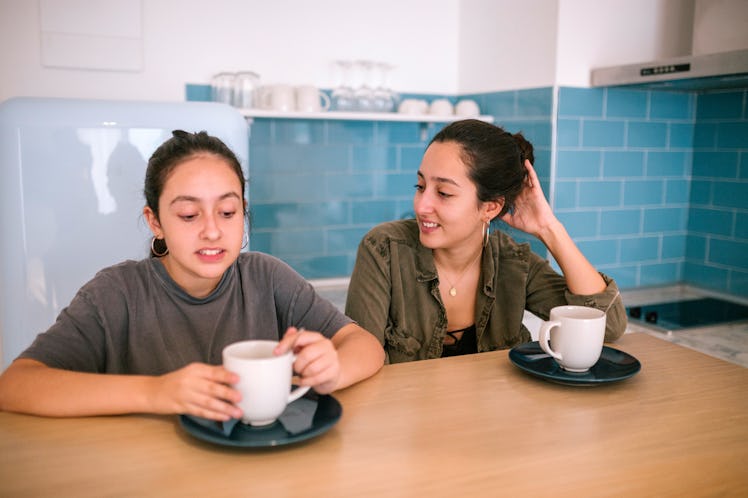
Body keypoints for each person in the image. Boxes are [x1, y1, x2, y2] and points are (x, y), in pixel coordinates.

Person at [0, 130, 384, 420]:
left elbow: (366, 347)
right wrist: (156, 393)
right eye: (188, 215)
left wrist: (332, 370)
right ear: (156, 221)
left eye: (228, 212)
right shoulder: (116, 293)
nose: (212, 230)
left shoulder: (267, 277)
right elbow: (16, 385)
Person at [345, 119, 626, 364]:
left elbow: (608, 326)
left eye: (443, 192)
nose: (421, 206)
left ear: (490, 208)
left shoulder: (515, 263)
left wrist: (548, 227)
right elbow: (361, 361)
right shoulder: (384, 249)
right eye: (420, 187)